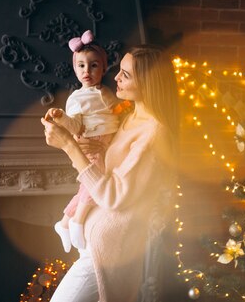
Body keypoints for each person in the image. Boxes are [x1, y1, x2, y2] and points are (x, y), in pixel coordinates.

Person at [41, 45, 179, 302]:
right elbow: (99, 171)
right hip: (92, 244)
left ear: (147, 82)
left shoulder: (153, 133)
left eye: (125, 74)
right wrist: (83, 146)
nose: (115, 77)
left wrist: (70, 147)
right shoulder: (127, 118)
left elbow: (114, 196)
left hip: (107, 252)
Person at [49, 30, 121, 252]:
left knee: (87, 185)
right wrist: (62, 118)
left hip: (108, 141)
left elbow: (117, 110)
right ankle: (77, 220)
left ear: (104, 68)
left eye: (93, 65)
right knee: (94, 181)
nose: (87, 71)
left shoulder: (106, 91)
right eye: (81, 66)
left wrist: (123, 109)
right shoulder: (77, 98)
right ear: (74, 69)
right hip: (92, 141)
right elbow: (76, 126)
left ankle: (63, 223)